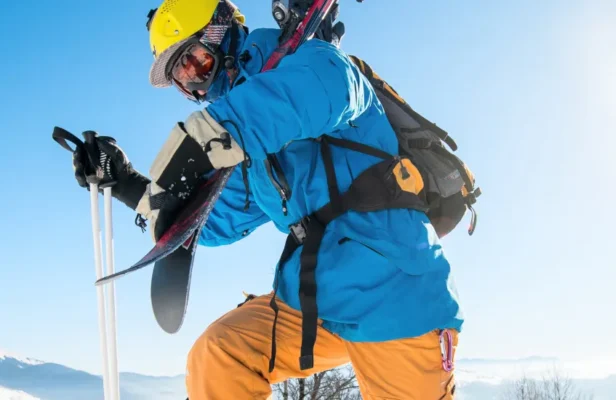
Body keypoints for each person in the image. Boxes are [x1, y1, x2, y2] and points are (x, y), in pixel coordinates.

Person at [72, 0, 462, 398]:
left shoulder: (315, 62)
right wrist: (127, 183)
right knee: (222, 354)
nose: (196, 85)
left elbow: (313, 92)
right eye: (182, 79)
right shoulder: (247, 150)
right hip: (313, 302)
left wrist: (208, 137)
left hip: (394, 296)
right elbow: (208, 221)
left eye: (195, 62)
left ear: (221, 33)